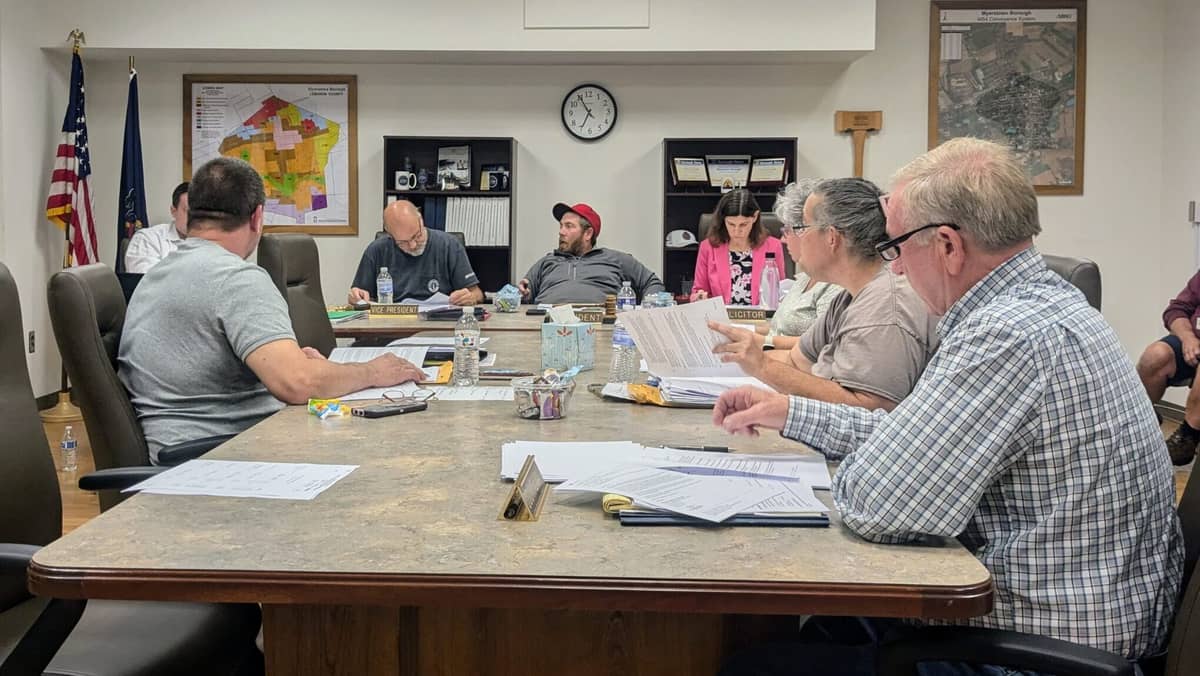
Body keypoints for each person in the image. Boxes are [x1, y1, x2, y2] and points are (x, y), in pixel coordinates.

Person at [713, 138, 1183, 676]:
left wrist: (853, 466)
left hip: (1033, 651)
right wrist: (792, 413)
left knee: (751, 666)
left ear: (948, 246)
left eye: (895, 247)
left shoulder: (1006, 336)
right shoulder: (1046, 304)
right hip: (1073, 618)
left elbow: (879, 505)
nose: (892, 269)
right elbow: (916, 436)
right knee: (823, 629)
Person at [120, 158, 426, 464]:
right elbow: (297, 383)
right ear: (257, 217)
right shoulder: (236, 278)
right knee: (396, 448)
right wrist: (373, 372)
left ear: (191, 214)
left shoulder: (155, 276)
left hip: (187, 453)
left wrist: (301, 365)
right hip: (224, 460)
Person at [710, 178, 938, 412]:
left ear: (832, 238)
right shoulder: (849, 296)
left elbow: (867, 411)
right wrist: (740, 353)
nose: (788, 238)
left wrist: (762, 366)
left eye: (801, 228)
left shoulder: (884, 306)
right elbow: (796, 361)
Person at [755, 179, 843, 349]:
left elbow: (823, 344)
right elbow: (778, 328)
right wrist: (739, 330)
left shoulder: (836, 284)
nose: (782, 239)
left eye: (787, 230)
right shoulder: (805, 277)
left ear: (805, 231)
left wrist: (763, 342)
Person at [519, 202, 665, 304]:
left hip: (602, 326)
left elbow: (652, 283)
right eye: (561, 226)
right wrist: (523, 294)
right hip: (547, 325)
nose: (561, 232)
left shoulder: (615, 259)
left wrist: (647, 308)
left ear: (588, 233)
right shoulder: (547, 261)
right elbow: (523, 292)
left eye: (569, 226)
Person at [348, 200, 483, 305]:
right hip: (391, 325)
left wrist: (470, 297)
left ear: (421, 220)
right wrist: (356, 297)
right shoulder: (376, 250)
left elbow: (477, 294)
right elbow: (361, 296)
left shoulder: (449, 245)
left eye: (416, 236)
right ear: (389, 234)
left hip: (437, 324)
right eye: (402, 242)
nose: (412, 245)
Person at [1136, 271, 1200, 465]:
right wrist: (1188, 338)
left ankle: (1188, 436)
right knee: (1156, 355)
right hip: (1195, 343)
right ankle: (1142, 421)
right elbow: (1176, 310)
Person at [689, 189, 785, 305]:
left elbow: (780, 292)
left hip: (760, 315)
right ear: (723, 219)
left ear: (755, 217)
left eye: (743, 224)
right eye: (731, 224)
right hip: (721, 315)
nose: (736, 231)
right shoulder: (708, 247)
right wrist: (699, 297)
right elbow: (697, 292)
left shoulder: (773, 246)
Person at [123, 182, 188, 273]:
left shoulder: (207, 241)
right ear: (173, 211)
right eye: (188, 211)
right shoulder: (147, 239)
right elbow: (149, 279)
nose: (195, 217)